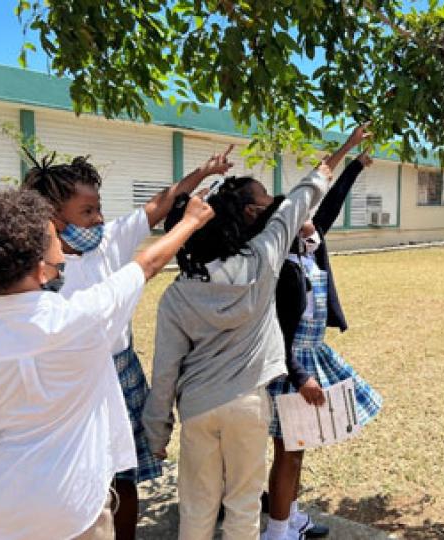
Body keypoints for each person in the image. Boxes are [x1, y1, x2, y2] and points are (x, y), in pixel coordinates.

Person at [0, 187, 213, 540]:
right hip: (76, 510)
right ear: (40, 265)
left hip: (4, 514)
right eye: (52, 236)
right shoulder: (85, 319)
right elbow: (147, 264)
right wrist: (191, 220)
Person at [142, 125, 371, 540]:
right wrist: (342, 154)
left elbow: (164, 372)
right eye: (264, 195)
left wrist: (158, 433)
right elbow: (307, 192)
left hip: (197, 409)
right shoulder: (264, 257)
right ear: (249, 214)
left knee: (197, 508)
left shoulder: (176, 296)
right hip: (248, 406)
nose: (273, 201)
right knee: (244, 508)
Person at [21, 147, 233, 539]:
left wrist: (203, 173)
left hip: (120, 371)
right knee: (82, 473)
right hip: (70, 381)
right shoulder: (34, 267)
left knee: (124, 474)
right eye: (87, 212)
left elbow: (161, 203)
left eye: (98, 208)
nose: (99, 218)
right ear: (52, 217)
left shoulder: (110, 241)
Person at [264, 151, 383, 540]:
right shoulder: (281, 262)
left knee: (300, 445)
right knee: (289, 451)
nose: (313, 221)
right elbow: (277, 329)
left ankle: (290, 517)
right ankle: (277, 530)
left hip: (312, 355)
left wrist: (352, 165)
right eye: (304, 215)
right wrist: (298, 375)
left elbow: (331, 200)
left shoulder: (311, 248)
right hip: (292, 364)